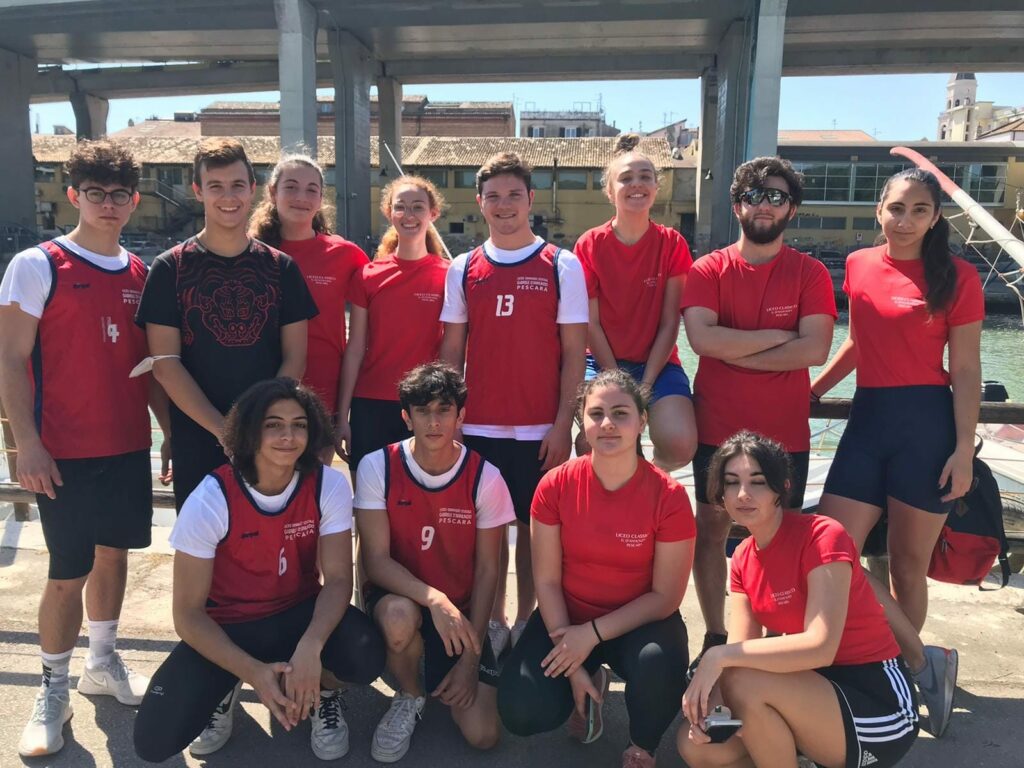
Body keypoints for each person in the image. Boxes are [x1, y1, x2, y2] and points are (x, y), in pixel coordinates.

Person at [0, 139, 171, 757]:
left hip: (126, 445)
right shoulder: (37, 264)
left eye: (119, 194)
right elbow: (10, 360)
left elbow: (150, 367)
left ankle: (102, 662)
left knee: (113, 556)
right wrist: (26, 444)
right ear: (74, 195)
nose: (108, 204)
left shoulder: (140, 273)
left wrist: (170, 432)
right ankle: (52, 687)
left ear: (133, 201)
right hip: (62, 451)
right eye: (95, 193)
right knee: (66, 572)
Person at [810, 167, 983, 738]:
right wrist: (814, 392)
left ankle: (898, 678)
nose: (905, 220)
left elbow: (965, 369)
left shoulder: (957, 276)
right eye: (897, 208)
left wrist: (963, 449)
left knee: (909, 564)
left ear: (935, 218)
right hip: (867, 421)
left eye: (919, 210)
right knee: (830, 549)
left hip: (926, 427)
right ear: (879, 211)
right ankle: (921, 660)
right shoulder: (859, 265)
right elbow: (859, 343)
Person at [133, 378, 385, 762]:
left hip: (297, 612)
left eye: (299, 425)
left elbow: (337, 580)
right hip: (231, 624)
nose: (288, 436)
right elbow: (187, 615)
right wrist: (251, 671)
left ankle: (319, 688)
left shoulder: (327, 485)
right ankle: (231, 680)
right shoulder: (211, 497)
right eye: (274, 425)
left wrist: (311, 647)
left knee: (365, 652)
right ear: (250, 431)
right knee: (153, 741)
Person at [680, 431, 919, 768]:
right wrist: (714, 716)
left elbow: (820, 647)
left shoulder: (822, 536)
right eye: (731, 483)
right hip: (808, 693)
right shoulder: (744, 557)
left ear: (783, 488)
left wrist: (716, 656)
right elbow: (741, 652)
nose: (743, 494)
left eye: (758, 482)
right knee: (697, 749)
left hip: (878, 706)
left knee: (744, 682)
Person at [681, 156, 836, 669]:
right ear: (737, 206)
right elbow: (702, 340)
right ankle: (717, 633)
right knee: (710, 532)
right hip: (717, 427)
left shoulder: (810, 273)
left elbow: (815, 349)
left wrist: (736, 349)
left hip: (784, 433)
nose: (763, 205)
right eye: (753, 196)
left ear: (791, 208)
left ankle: (772, 642)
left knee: (782, 539)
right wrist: (777, 337)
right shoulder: (708, 269)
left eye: (776, 196)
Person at [498, 370, 695, 768]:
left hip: (639, 622)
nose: (607, 424)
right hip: (568, 618)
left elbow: (665, 597)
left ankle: (642, 746)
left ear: (642, 421)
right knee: (521, 711)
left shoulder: (669, 497)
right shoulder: (554, 486)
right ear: (582, 422)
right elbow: (547, 581)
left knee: (659, 666)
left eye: (621, 414)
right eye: (596, 413)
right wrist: (572, 664)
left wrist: (592, 634)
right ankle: (589, 680)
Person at [439, 152, 588, 658]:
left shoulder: (562, 265)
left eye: (514, 195)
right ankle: (495, 619)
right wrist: (450, 419)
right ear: (480, 202)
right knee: (486, 531)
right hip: (479, 426)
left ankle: (527, 617)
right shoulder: (463, 267)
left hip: (538, 428)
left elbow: (575, 354)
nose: (504, 205)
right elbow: (452, 351)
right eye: (494, 196)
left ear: (530, 199)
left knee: (532, 530)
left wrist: (563, 424)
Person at [137, 138, 318, 510]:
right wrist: (226, 433)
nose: (228, 197)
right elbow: (166, 365)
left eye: (237, 185)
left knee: (268, 539)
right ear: (198, 191)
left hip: (268, 440)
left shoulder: (281, 267)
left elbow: (296, 357)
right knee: (202, 543)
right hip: (197, 438)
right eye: (215, 186)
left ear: (252, 189)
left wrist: (262, 426)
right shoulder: (170, 268)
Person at [355, 362, 515, 761]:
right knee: (397, 619)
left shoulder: (486, 477)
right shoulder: (377, 466)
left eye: (444, 410)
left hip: (459, 611)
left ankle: (447, 660)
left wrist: (471, 659)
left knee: (483, 735)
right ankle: (410, 694)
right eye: (423, 411)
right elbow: (375, 561)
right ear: (406, 417)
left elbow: (488, 570)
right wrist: (434, 599)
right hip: (402, 599)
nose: (434, 421)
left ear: (461, 416)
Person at [574, 133, 696, 471]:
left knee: (680, 444)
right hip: (600, 362)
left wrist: (644, 386)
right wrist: (618, 384)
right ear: (610, 191)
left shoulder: (672, 244)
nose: (636, 184)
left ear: (656, 187)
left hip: (656, 363)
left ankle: (645, 479)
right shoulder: (589, 245)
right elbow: (590, 324)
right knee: (589, 443)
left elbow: (670, 323)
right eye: (626, 178)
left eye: (645, 177)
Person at [336, 175, 450, 472]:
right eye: (401, 207)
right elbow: (354, 349)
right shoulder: (368, 276)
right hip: (370, 404)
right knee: (369, 494)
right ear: (388, 212)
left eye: (418, 207)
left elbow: (453, 351)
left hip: (426, 404)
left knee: (419, 494)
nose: (409, 215)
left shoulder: (449, 276)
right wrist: (342, 415)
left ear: (433, 213)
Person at [249, 153, 368, 423]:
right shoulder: (250, 254)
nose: (301, 197)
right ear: (273, 192)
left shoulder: (346, 255)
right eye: (291, 187)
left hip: (324, 392)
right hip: (261, 389)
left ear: (321, 198)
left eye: (311, 189)